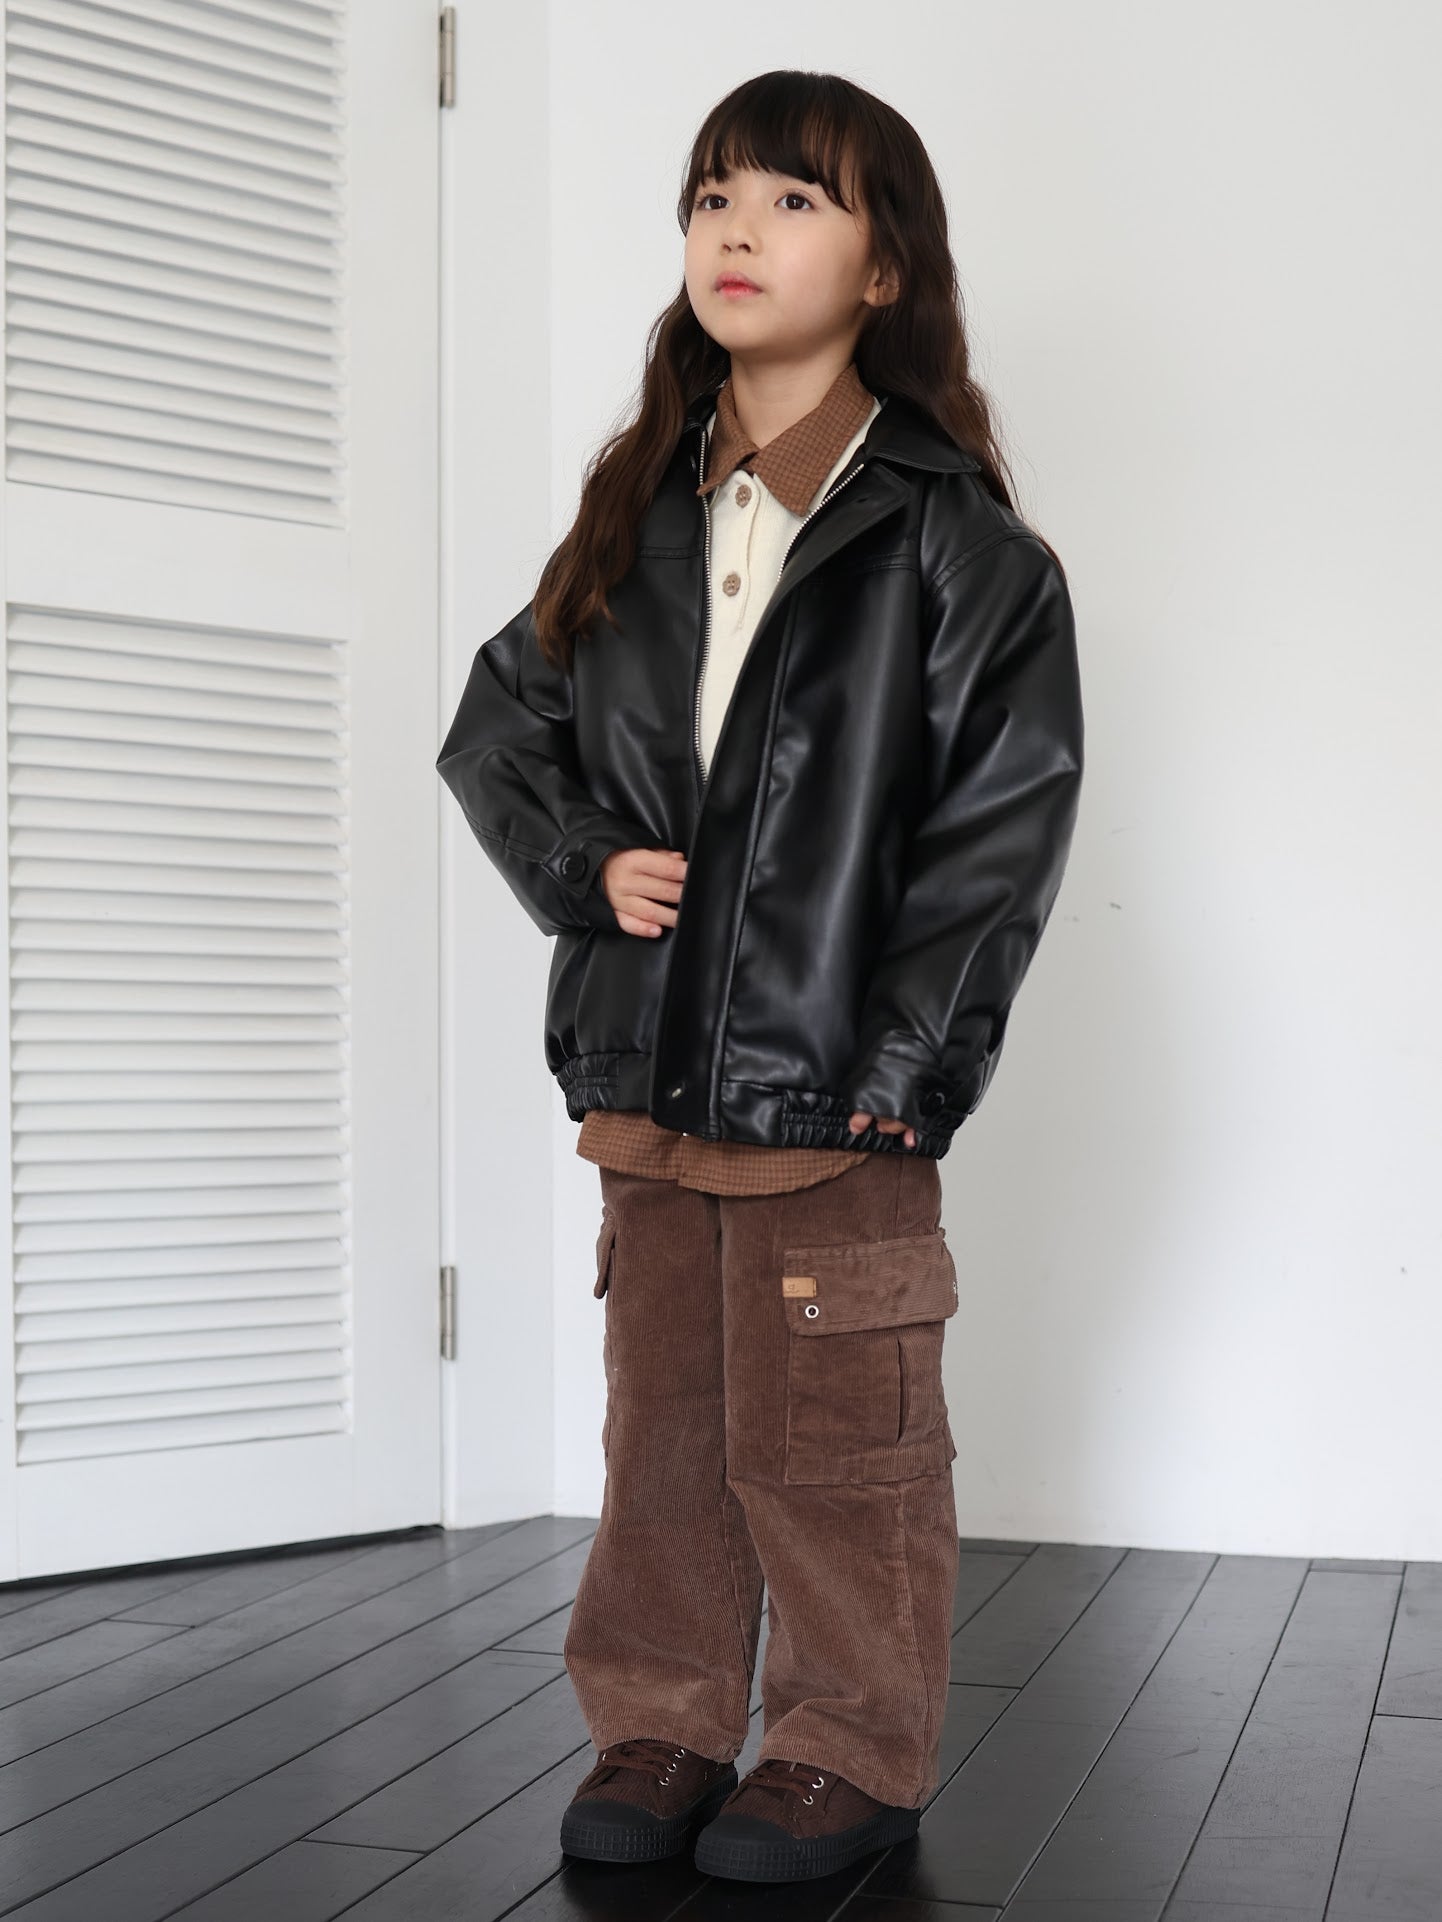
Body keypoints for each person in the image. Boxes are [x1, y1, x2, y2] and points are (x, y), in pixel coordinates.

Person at [436, 69, 1084, 1885]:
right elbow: (497, 730)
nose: (738, 227)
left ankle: (846, 1741)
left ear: (884, 268)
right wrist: (582, 866)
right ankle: (658, 1719)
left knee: (835, 1445)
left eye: (795, 199)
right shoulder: (635, 514)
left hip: (838, 1090)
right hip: (647, 1080)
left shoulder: (954, 543)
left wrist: (904, 1070)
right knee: (665, 1434)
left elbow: (996, 835)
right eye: (713, 193)